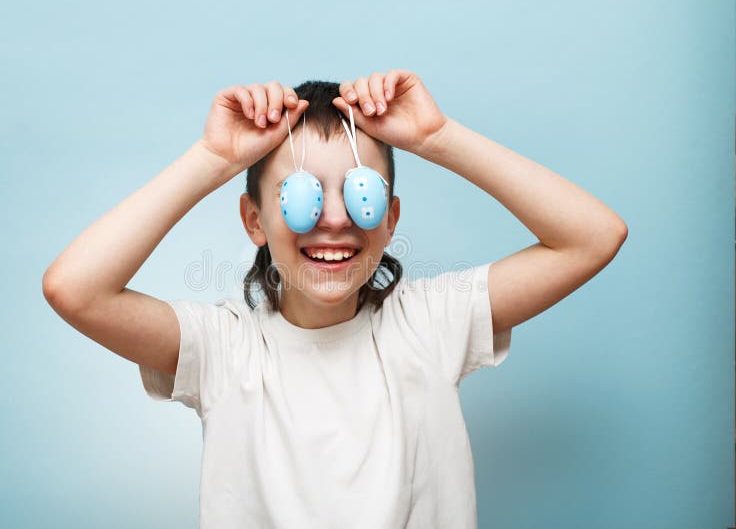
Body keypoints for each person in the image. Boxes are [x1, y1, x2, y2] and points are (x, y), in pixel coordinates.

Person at [42, 69, 628, 528]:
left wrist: (438, 138)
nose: (334, 219)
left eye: (361, 192)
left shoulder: (429, 324)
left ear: (390, 217)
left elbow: (594, 236)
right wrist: (214, 160)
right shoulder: (222, 349)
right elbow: (75, 289)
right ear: (255, 221)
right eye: (301, 196)